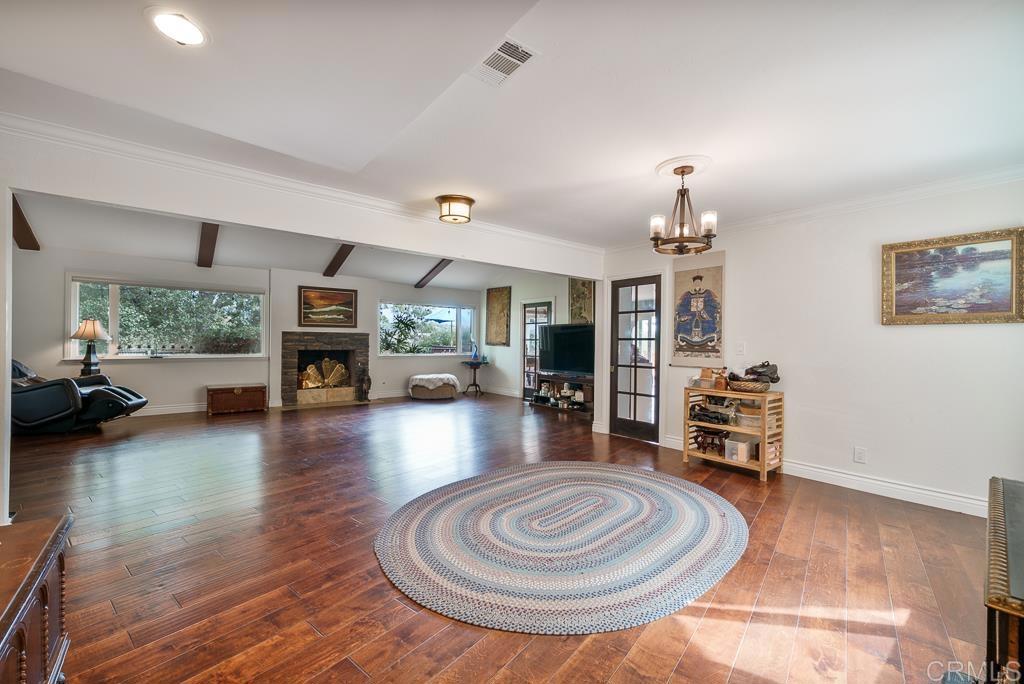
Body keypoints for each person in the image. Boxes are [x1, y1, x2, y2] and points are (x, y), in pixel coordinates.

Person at [675, 274, 720, 348]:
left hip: (704, 313)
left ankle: (708, 339)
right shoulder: (688, 294)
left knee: (709, 321)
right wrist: (685, 314)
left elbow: (712, 304)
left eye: (698, 282)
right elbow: (683, 306)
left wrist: (705, 312)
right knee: (682, 322)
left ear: (701, 282)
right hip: (690, 314)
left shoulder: (707, 292)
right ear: (693, 283)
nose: (697, 283)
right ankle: (684, 340)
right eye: (696, 282)